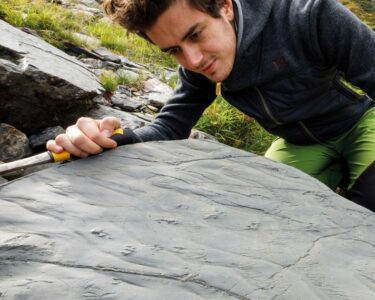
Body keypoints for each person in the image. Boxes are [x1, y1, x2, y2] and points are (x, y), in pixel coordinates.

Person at [47, 0, 375, 210]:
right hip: (299, 143)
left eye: (195, 35)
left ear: (225, 6)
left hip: (362, 124)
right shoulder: (197, 64)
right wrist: (111, 140)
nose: (193, 59)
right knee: (266, 219)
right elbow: (170, 127)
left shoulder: (310, 15)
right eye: (173, 50)